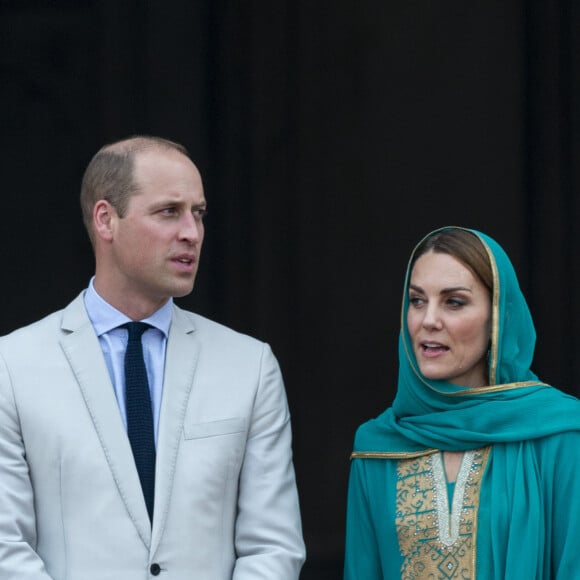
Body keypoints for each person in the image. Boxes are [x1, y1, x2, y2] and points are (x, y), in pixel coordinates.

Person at [0, 135, 305, 579]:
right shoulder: (12, 365)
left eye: (198, 214)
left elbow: (272, 547)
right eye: (169, 211)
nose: (192, 232)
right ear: (106, 220)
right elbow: (6, 547)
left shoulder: (250, 366)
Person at [344, 226, 580, 579]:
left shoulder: (560, 434)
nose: (428, 320)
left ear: (499, 315)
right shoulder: (378, 446)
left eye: (454, 302)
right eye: (417, 300)